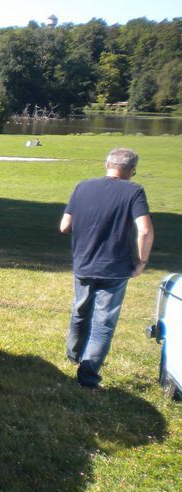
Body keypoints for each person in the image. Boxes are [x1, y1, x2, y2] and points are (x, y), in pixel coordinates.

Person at [59, 147, 154, 388]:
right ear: (132, 170)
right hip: (115, 268)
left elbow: (64, 226)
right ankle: (88, 377)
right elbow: (144, 230)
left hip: (84, 263)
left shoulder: (83, 187)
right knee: (103, 323)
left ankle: (73, 354)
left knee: (80, 311)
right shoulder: (134, 191)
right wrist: (141, 263)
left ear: (107, 165)